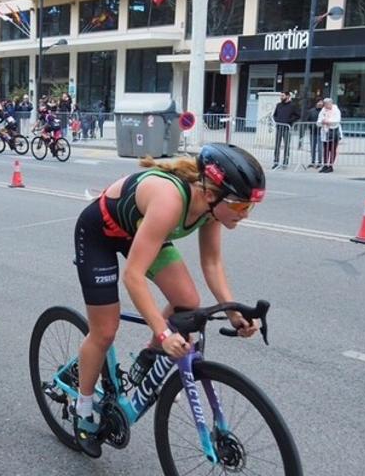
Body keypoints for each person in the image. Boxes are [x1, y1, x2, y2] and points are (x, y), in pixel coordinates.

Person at [72, 143, 263, 458]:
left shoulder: (212, 208)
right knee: (104, 331)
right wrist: (164, 331)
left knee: (188, 300)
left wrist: (232, 312)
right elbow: (133, 276)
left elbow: (212, 264)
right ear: (215, 191)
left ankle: (149, 357)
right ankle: (84, 407)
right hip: (100, 234)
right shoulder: (171, 200)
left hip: (141, 231)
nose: (245, 216)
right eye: (242, 207)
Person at [272, 91, 300, 169]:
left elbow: (298, 115)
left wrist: (289, 121)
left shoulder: (293, 106)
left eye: (283, 96)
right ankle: (276, 162)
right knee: (277, 145)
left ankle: (285, 162)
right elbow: (275, 115)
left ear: (287, 96)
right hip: (279, 127)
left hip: (287, 128)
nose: (281, 97)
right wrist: (277, 120)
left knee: (286, 146)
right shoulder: (278, 105)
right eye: (281, 96)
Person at [316, 98, 342, 173]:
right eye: (325, 104)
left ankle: (330, 165)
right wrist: (322, 122)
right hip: (325, 131)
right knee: (326, 150)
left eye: (328, 104)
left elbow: (337, 120)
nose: (326, 106)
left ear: (331, 103)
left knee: (333, 149)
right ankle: (325, 165)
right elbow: (318, 121)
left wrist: (328, 122)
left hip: (334, 132)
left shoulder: (336, 110)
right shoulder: (323, 110)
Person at [306, 100, 323, 168]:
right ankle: (312, 161)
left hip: (321, 132)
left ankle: (319, 162)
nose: (320, 104)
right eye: (318, 102)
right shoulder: (311, 111)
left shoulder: (324, 111)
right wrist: (310, 126)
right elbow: (308, 119)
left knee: (320, 148)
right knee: (312, 147)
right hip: (312, 132)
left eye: (321, 102)